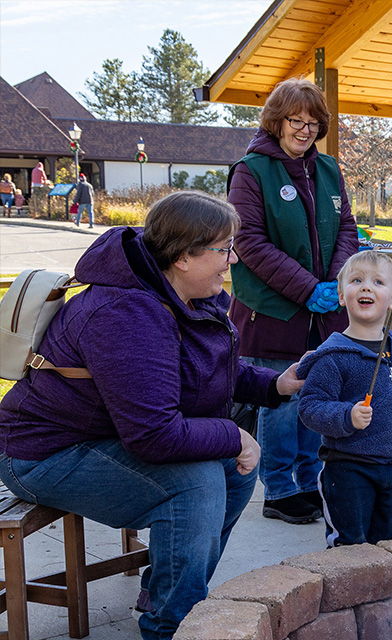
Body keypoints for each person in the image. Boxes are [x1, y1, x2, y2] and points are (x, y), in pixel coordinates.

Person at [0, 191, 306, 640]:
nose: (233, 260)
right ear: (183, 256)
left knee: (234, 473)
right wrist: (234, 435)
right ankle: (171, 626)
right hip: (42, 454)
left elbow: (205, 367)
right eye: (223, 249)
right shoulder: (125, 314)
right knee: (197, 481)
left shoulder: (175, 291)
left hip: (103, 436)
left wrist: (275, 384)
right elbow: (153, 436)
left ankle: (165, 594)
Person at [228, 77, 359, 525]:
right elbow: (249, 242)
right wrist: (307, 288)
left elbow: (346, 229)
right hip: (273, 311)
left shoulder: (328, 169)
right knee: (280, 403)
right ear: (277, 121)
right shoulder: (251, 171)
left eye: (312, 122)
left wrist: (339, 280)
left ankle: (309, 481)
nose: (304, 129)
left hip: (323, 314)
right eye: (294, 120)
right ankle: (279, 490)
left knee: (315, 396)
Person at [297, 250, 392, 546]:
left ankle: (380, 591)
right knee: (351, 545)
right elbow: (310, 407)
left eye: (378, 282)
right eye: (357, 280)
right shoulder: (332, 356)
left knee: (386, 541)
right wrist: (346, 416)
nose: (366, 287)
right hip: (348, 470)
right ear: (340, 295)